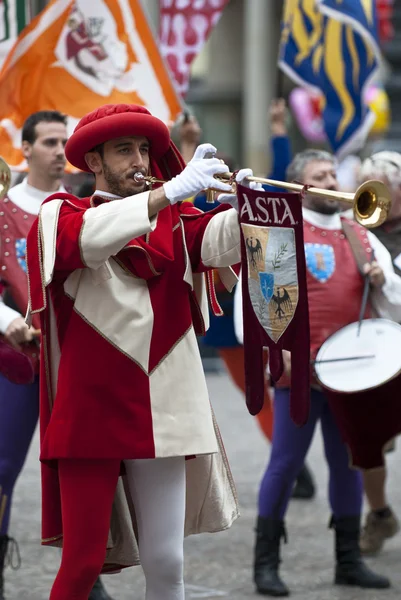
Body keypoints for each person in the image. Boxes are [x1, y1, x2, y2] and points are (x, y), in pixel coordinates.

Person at [24, 103, 259, 600]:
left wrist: (249, 207)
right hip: (92, 410)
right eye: (124, 150)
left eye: (145, 150)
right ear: (94, 163)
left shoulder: (176, 219)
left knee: (167, 561)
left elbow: (225, 244)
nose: (139, 161)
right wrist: (172, 191)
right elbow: (86, 241)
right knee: (84, 560)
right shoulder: (60, 214)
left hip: (165, 406)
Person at [234, 149, 401, 596]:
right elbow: (254, 300)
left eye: (333, 172)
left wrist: (384, 283)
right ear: (300, 186)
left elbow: (395, 305)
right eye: (319, 174)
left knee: (347, 465)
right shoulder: (280, 229)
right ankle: (265, 564)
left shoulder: (360, 233)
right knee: (285, 464)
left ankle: (348, 561)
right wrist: (274, 349)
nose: (331, 179)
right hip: (299, 373)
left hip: (350, 375)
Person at [0, 111, 114, 600]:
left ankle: (87, 572)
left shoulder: (85, 208)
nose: (57, 149)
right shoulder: (2, 211)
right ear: (24, 149)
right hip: (19, 360)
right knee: (3, 468)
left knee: (83, 467)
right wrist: (9, 322)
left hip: (79, 358)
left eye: (64, 141)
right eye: (48, 141)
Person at [356, 151, 401, 555]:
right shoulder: (354, 228)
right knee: (370, 444)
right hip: (375, 351)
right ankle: (380, 514)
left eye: (379, 186)